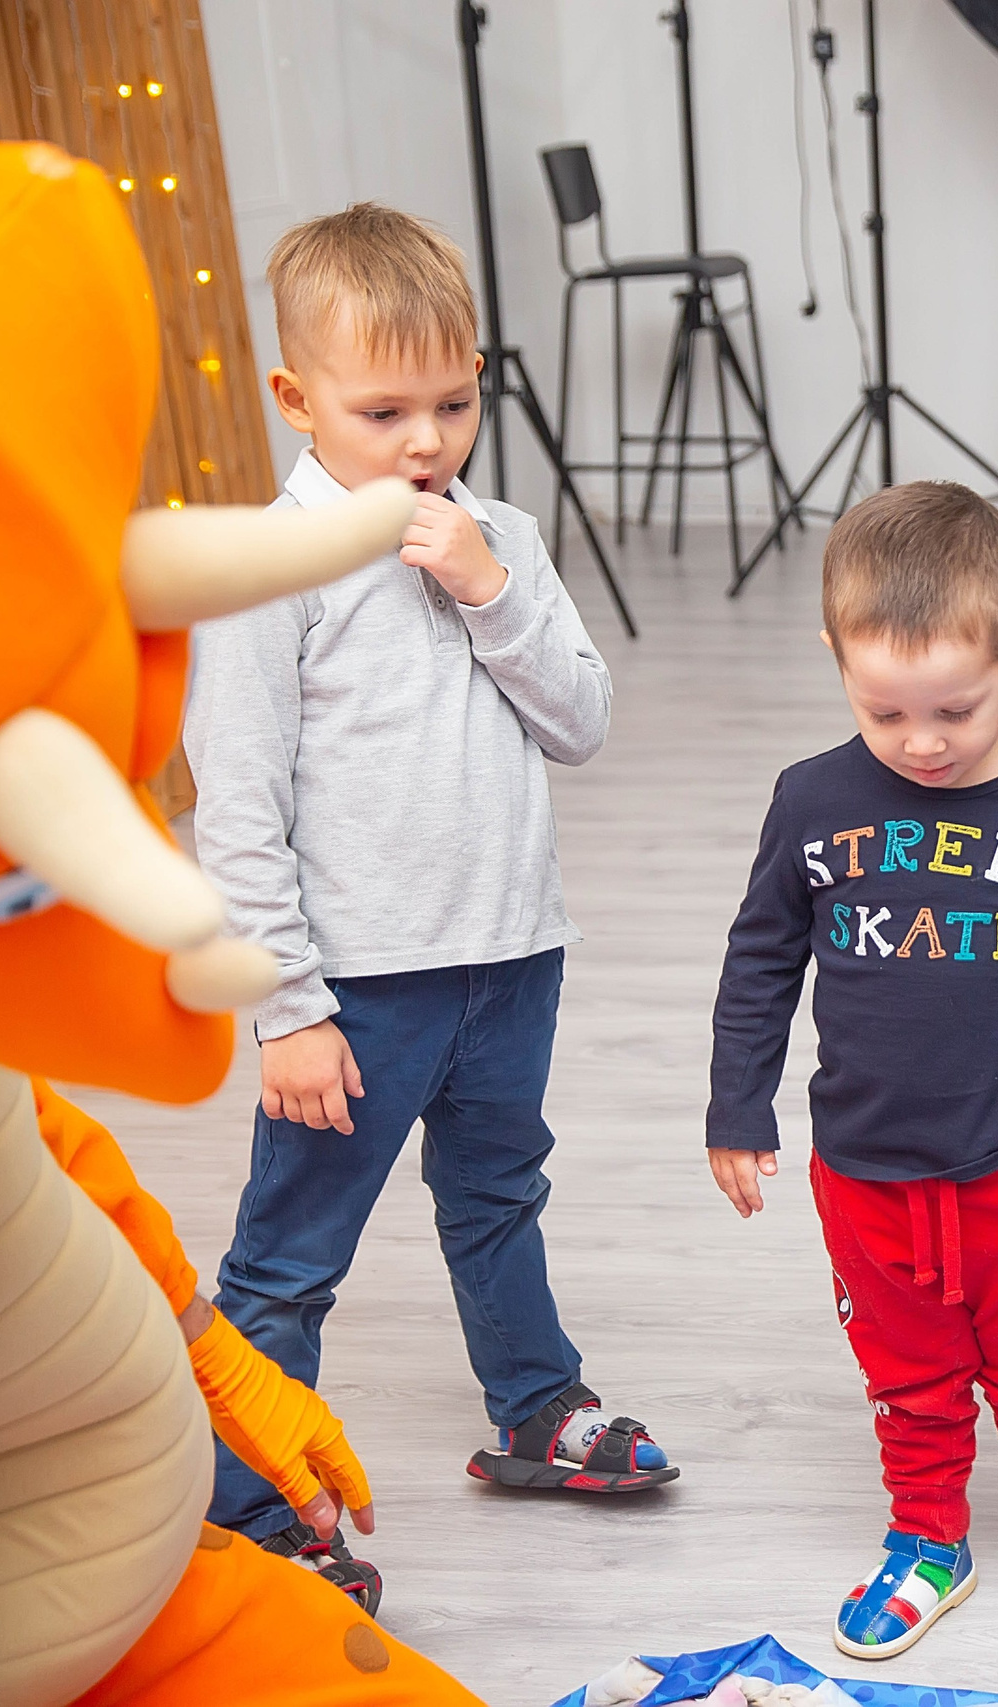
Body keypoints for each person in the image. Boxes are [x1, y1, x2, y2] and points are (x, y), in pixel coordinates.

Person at [185, 204, 671, 1597]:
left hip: (511, 956)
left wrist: (490, 588)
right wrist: (286, 1008)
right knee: (289, 1259)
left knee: (499, 1194)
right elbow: (237, 812)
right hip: (352, 990)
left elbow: (580, 722)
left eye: (453, 404)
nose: (426, 441)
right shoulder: (269, 573)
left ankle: (534, 1406)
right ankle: (250, 1508)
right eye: (383, 410)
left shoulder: (500, 533)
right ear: (297, 400)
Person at [706, 481, 998, 1663]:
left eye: (957, 709)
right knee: (907, 1373)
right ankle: (928, 1537)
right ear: (838, 663)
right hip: (866, 1163)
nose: (922, 742)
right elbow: (761, 957)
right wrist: (738, 1106)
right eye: (885, 711)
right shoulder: (812, 800)